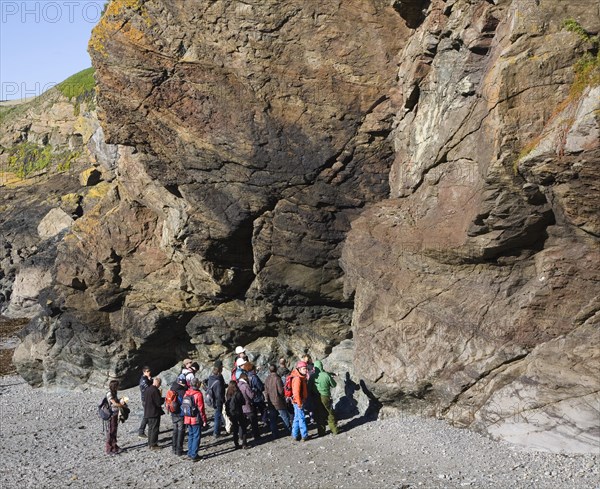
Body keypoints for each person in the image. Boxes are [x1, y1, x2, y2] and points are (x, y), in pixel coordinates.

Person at [309, 360, 339, 436]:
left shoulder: (312, 376)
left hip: (316, 397)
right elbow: (334, 385)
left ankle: (321, 432)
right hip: (326, 396)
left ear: (314, 367)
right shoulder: (326, 375)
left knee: (319, 414)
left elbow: (309, 388)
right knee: (329, 412)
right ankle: (334, 430)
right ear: (321, 366)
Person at [183, 378, 208, 461]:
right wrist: (204, 420)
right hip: (195, 418)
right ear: (197, 384)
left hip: (187, 417)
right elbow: (201, 409)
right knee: (196, 436)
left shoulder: (186, 393)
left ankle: (190, 453)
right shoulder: (198, 394)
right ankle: (194, 455)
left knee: (190, 435)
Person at [264, 364, 291, 437]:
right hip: (279, 401)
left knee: (273, 419)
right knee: (284, 417)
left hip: (271, 402)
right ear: (276, 369)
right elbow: (280, 391)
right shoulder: (277, 378)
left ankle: (274, 433)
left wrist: (267, 399)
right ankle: (288, 430)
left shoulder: (267, 379)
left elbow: (265, 391)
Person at [237, 372, 261, 443]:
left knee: (242, 423)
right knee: (253, 421)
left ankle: (240, 436)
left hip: (241, 407)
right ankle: (256, 435)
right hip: (248, 405)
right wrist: (254, 391)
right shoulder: (245, 386)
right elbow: (251, 395)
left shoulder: (237, 385)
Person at [290, 360, 309, 441]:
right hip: (298, 401)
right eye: (304, 369)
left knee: (297, 418)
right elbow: (296, 392)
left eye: (306, 368)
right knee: (301, 418)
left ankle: (294, 435)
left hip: (297, 401)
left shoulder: (300, 377)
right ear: (299, 369)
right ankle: (304, 435)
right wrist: (300, 403)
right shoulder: (298, 379)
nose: (306, 370)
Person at [105, 379, 126, 455]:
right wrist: (122, 405)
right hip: (111, 414)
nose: (118, 387)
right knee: (111, 431)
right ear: (115, 386)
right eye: (117, 386)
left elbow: (116, 401)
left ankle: (114, 446)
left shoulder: (114, 392)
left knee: (114, 430)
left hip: (115, 413)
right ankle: (109, 449)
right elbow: (114, 403)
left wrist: (121, 400)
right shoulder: (109, 393)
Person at [143, 377, 164, 449]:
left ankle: (149, 443)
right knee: (155, 428)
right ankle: (153, 444)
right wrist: (163, 399)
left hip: (147, 411)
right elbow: (158, 402)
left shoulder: (147, 389)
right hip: (154, 412)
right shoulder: (155, 390)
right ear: (158, 383)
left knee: (150, 428)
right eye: (159, 384)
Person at [225, 380, 247, 449]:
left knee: (235, 429)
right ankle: (244, 443)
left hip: (231, 413)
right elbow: (243, 402)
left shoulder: (228, 393)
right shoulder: (238, 393)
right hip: (239, 412)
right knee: (243, 427)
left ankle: (236, 444)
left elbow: (227, 403)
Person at [170, 376, 188, 456]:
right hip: (180, 414)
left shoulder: (172, 388)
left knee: (175, 431)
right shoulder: (182, 392)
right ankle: (179, 450)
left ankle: (173, 448)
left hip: (173, 412)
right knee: (181, 431)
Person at [207, 364, 226, 439]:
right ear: (219, 372)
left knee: (218, 414)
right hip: (217, 400)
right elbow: (218, 394)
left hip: (212, 399)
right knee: (217, 415)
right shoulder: (218, 381)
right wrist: (222, 400)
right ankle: (216, 432)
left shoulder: (211, 378)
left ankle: (221, 427)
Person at [138, 366, 152, 437]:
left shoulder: (146, 378)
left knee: (148, 415)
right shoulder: (144, 380)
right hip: (146, 400)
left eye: (149, 370)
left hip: (147, 399)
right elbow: (149, 389)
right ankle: (141, 431)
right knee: (146, 415)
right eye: (148, 371)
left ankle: (151, 429)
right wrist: (150, 381)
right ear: (144, 372)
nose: (149, 372)